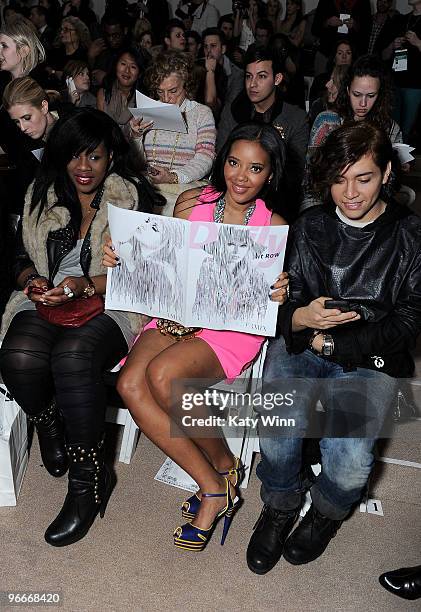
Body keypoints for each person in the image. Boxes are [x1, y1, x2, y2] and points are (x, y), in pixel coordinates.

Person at [103, 122, 289, 551]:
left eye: (255, 168)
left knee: (166, 376)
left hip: (228, 329)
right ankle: (219, 475)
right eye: (233, 162)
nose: (240, 176)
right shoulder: (192, 203)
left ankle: (213, 485)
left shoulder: (272, 225)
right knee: (130, 383)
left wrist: (281, 288)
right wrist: (122, 254)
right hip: (176, 314)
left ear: (270, 174)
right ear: (222, 161)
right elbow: (163, 261)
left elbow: (273, 294)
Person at [246, 121, 421, 575]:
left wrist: (333, 343)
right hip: (304, 343)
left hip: (370, 356)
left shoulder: (411, 235)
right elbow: (279, 305)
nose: (350, 192)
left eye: (363, 177)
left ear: (386, 173)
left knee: (348, 463)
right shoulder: (310, 225)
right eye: (340, 180)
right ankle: (281, 503)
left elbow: (409, 320)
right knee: (278, 428)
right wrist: (302, 320)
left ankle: (325, 512)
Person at [0, 108, 164, 547]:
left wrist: (84, 285)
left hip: (112, 302)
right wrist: (31, 281)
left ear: (111, 156)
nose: (84, 167)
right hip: (48, 297)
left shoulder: (133, 200)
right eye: (75, 156)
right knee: (18, 356)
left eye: (94, 156)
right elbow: (16, 255)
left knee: (72, 356)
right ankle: (48, 421)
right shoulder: (40, 193)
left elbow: (147, 277)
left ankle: (87, 485)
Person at [217, 46, 309, 221]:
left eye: (262, 76)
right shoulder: (234, 111)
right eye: (248, 76)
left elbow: (293, 173)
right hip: (233, 191)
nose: (253, 84)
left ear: (277, 78)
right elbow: (221, 157)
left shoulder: (295, 118)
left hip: (277, 198)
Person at [131, 51, 216, 211]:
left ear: (186, 84)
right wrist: (136, 137)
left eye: (173, 91)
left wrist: (173, 177)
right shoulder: (149, 110)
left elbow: (205, 158)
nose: (166, 98)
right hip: (147, 190)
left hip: (184, 192)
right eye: (160, 91)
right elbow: (137, 162)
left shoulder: (201, 113)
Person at [381, 0, 421, 142]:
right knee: (392, 129)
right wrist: (392, 45)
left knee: (407, 131)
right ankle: (393, 162)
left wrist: (418, 43)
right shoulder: (400, 20)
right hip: (394, 82)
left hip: (416, 85)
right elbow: (383, 54)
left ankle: (405, 163)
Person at [312, 0, 371, 75]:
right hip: (326, 54)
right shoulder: (326, 2)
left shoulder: (364, 2)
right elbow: (314, 29)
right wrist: (328, 22)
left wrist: (355, 25)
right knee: (322, 84)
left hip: (353, 58)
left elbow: (367, 33)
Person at [97, 47, 146, 132]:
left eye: (133, 67)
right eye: (123, 64)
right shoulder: (104, 94)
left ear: (139, 73)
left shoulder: (143, 100)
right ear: (116, 65)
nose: (127, 71)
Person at [199, 27, 243, 120]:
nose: (209, 51)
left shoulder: (237, 74)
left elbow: (229, 109)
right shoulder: (199, 68)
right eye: (205, 46)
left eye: (213, 46)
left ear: (223, 49)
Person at [3, 76, 59, 143]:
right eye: (17, 121)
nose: (22, 128)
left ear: (44, 107)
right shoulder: (21, 142)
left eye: (27, 118)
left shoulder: (70, 129)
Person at [47, 16, 91, 81]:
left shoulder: (85, 54)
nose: (62, 32)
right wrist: (54, 72)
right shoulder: (55, 51)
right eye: (61, 30)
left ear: (78, 32)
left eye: (66, 29)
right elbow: (46, 68)